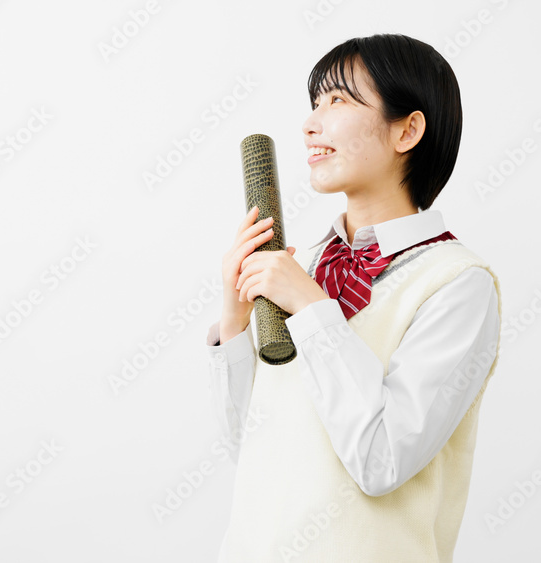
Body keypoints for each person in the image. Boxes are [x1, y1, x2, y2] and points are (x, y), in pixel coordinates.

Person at [204, 33, 502, 562]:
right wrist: (235, 321)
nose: (310, 124)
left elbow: (381, 461)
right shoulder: (301, 267)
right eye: (314, 103)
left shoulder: (457, 282)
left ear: (407, 130)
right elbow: (251, 447)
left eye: (338, 100)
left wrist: (313, 310)